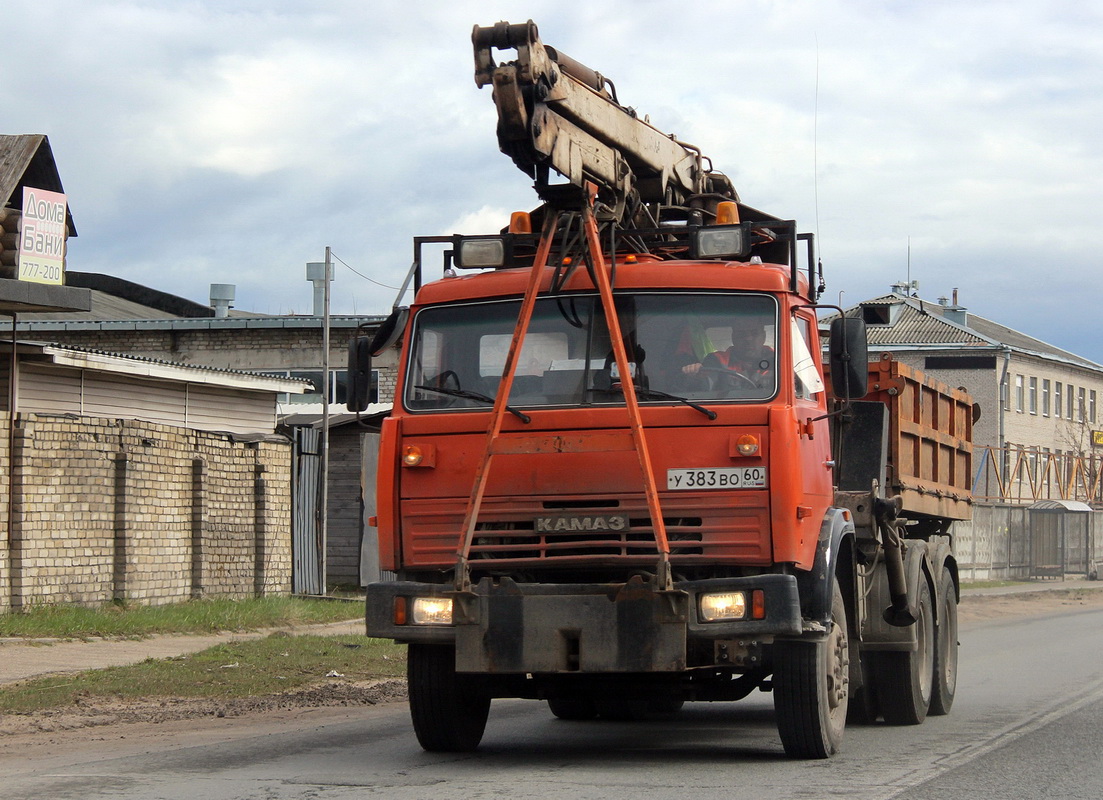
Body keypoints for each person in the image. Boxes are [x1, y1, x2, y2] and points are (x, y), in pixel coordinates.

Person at [681, 316, 773, 385]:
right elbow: (707, 383)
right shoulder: (716, 360)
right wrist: (696, 376)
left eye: (754, 333)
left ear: (763, 337)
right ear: (733, 338)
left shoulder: (779, 360)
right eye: (741, 334)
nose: (748, 339)